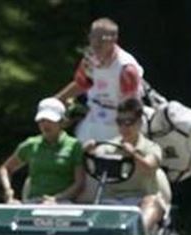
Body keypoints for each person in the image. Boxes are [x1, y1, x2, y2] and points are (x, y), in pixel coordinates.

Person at [56, 17, 144, 145]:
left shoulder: (126, 68)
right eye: (93, 37)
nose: (96, 43)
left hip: (119, 121)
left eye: (102, 39)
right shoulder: (89, 59)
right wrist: (58, 98)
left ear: (114, 40)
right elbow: (82, 84)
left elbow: (132, 106)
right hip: (94, 115)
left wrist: (127, 134)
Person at [84, 98, 165, 232]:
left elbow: (149, 168)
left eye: (129, 122)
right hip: (112, 201)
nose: (124, 127)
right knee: (93, 209)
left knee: (153, 202)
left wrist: (134, 155)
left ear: (139, 123)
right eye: (120, 122)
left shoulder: (151, 147)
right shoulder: (108, 147)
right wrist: (88, 152)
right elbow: (92, 166)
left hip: (139, 200)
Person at [0, 97, 84, 204]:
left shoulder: (74, 145)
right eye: (42, 120)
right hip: (34, 201)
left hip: (63, 203)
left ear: (61, 122)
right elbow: (5, 168)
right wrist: (8, 191)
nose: (45, 125)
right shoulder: (31, 144)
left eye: (50, 120)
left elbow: (79, 182)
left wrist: (57, 198)